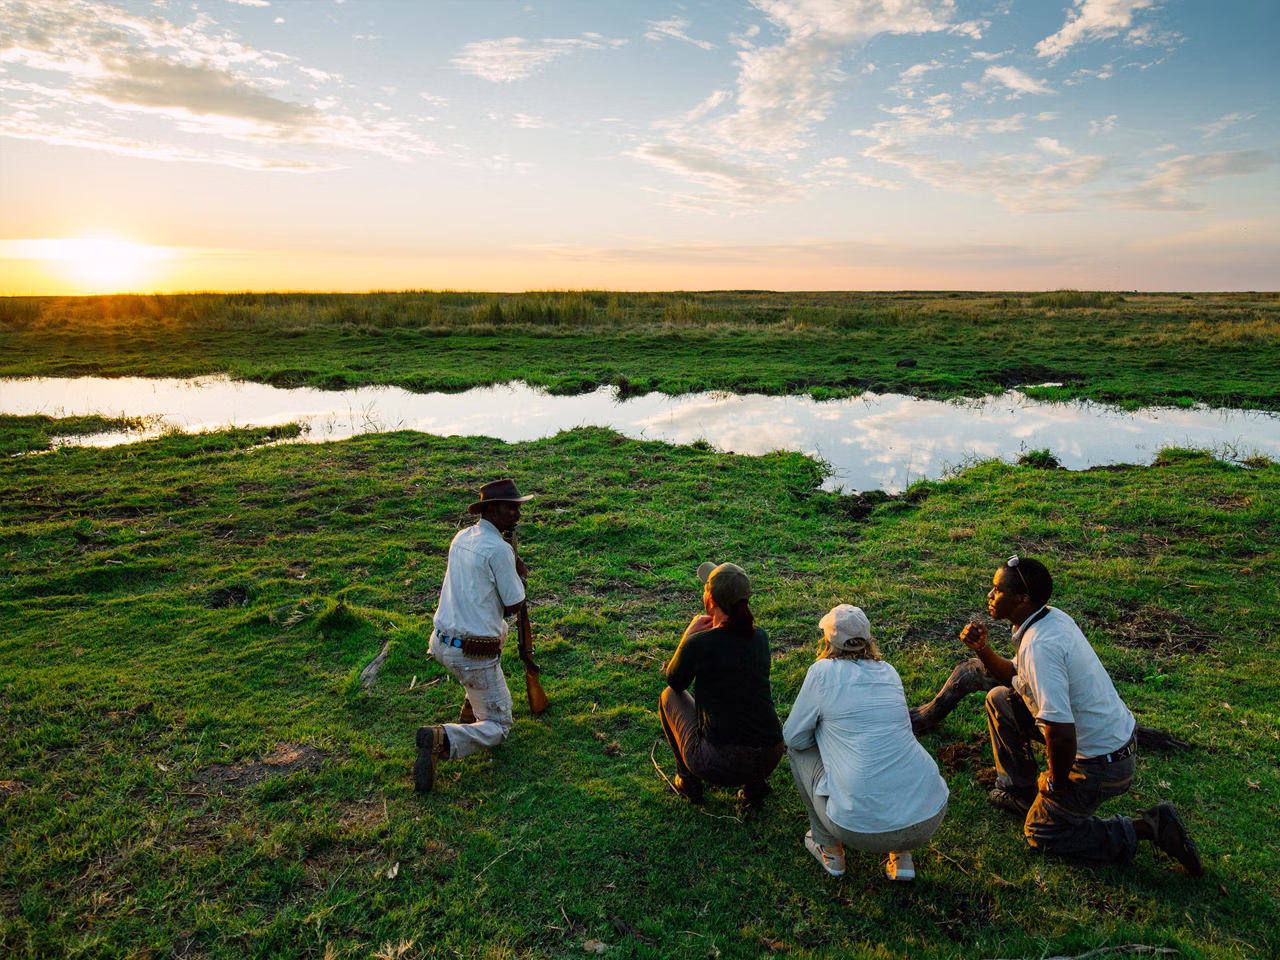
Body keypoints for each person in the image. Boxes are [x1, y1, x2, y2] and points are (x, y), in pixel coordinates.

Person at [960, 555, 1203, 875]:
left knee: (1041, 832)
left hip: (1102, 764)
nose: (990, 595)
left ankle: (1148, 828)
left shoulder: (1040, 646)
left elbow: (1059, 733)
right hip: (1110, 743)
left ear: (1021, 600)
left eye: (997, 590)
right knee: (1000, 700)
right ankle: (1019, 793)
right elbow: (1014, 677)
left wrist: (1056, 782)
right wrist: (982, 649)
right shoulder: (1047, 619)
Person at [784, 605, 949, 882]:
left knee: (798, 751)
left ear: (828, 640)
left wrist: (826, 739)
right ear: (868, 638)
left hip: (859, 829)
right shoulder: (888, 671)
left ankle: (830, 849)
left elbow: (794, 737)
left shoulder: (822, 671)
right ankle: (902, 856)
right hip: (929, 815)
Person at [414, 479, 533, 794]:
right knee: (500, 727)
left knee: (501, 633)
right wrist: (519, 576)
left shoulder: (462, 537)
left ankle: (473, 705)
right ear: (492, 510)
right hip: (472, 654)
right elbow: (513, 605)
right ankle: (442, 739)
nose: (518, 513)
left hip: (440, 641)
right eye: (512, 507)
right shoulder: (498, 550)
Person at [659, 561, 785, 808]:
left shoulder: (701, 643)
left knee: (668, 697)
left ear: (711, 601)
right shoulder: (760, 637)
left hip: (723, 764)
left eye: (706, 588)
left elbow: (675, 681)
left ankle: (687, 781)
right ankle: (754, 786)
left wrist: (689, 636)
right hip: (771, 753)